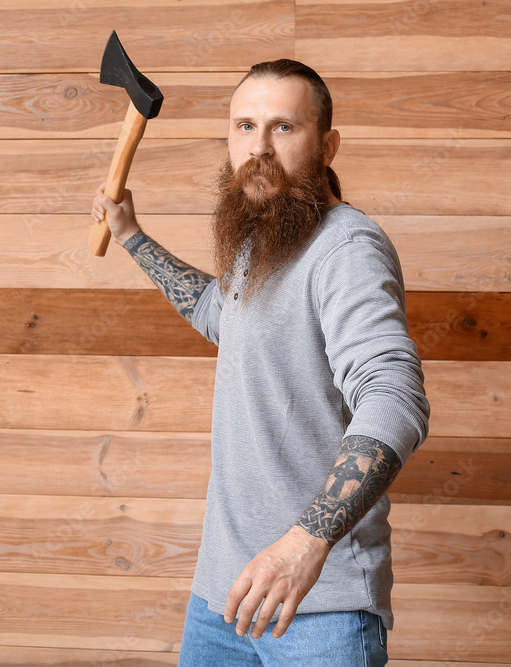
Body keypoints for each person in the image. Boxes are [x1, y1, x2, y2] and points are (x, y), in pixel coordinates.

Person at [91, 60, 430, 666]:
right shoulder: (263, 237)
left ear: (327, 145)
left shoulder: (345, 249)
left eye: (283, 128)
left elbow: (393, 397)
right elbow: (222, 314)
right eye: (244, 126)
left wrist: (304, 543)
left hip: (319, 608)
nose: (259, 148)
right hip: (224, 595)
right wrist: (132, 235)